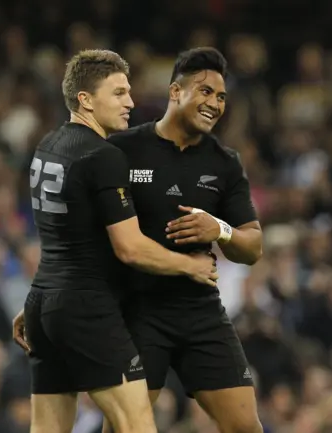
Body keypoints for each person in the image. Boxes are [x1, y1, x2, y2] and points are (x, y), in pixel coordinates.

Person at [13, 49, 219, 433]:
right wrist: (191, 265)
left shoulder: (48, 145)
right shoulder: (103, 156)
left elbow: (64, 237)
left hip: (45, 303)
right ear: (85, 100)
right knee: (137, 424)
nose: (131, 102)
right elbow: (130, 248)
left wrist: (47, 304)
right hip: (86, 309)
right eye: (119, 93)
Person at [104, 47, 264, 433]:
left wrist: (220, 229)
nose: (215, 103)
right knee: (126, 428)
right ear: (175, 92)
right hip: (139, 310)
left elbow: (253, 246)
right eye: (205, 91)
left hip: (200, 312)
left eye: (221, 96)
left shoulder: (225, 163)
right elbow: (90, 234)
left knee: (247, 428)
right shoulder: (123, 150)